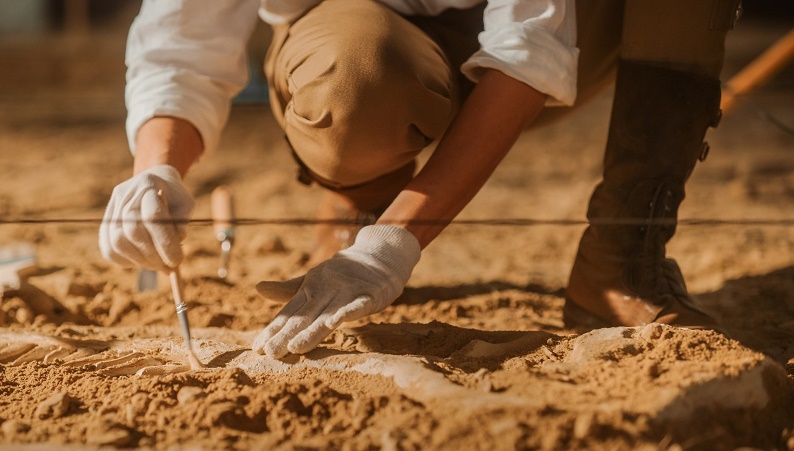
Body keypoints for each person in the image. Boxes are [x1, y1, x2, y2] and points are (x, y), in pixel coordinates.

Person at [99, 0, 740, 359]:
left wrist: (393, 246)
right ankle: (360, 196)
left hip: (564, 39)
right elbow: (183, 35)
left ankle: (622, 252)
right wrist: (157, 167)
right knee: (353, 76)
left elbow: (528, 53)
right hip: (369, 40)